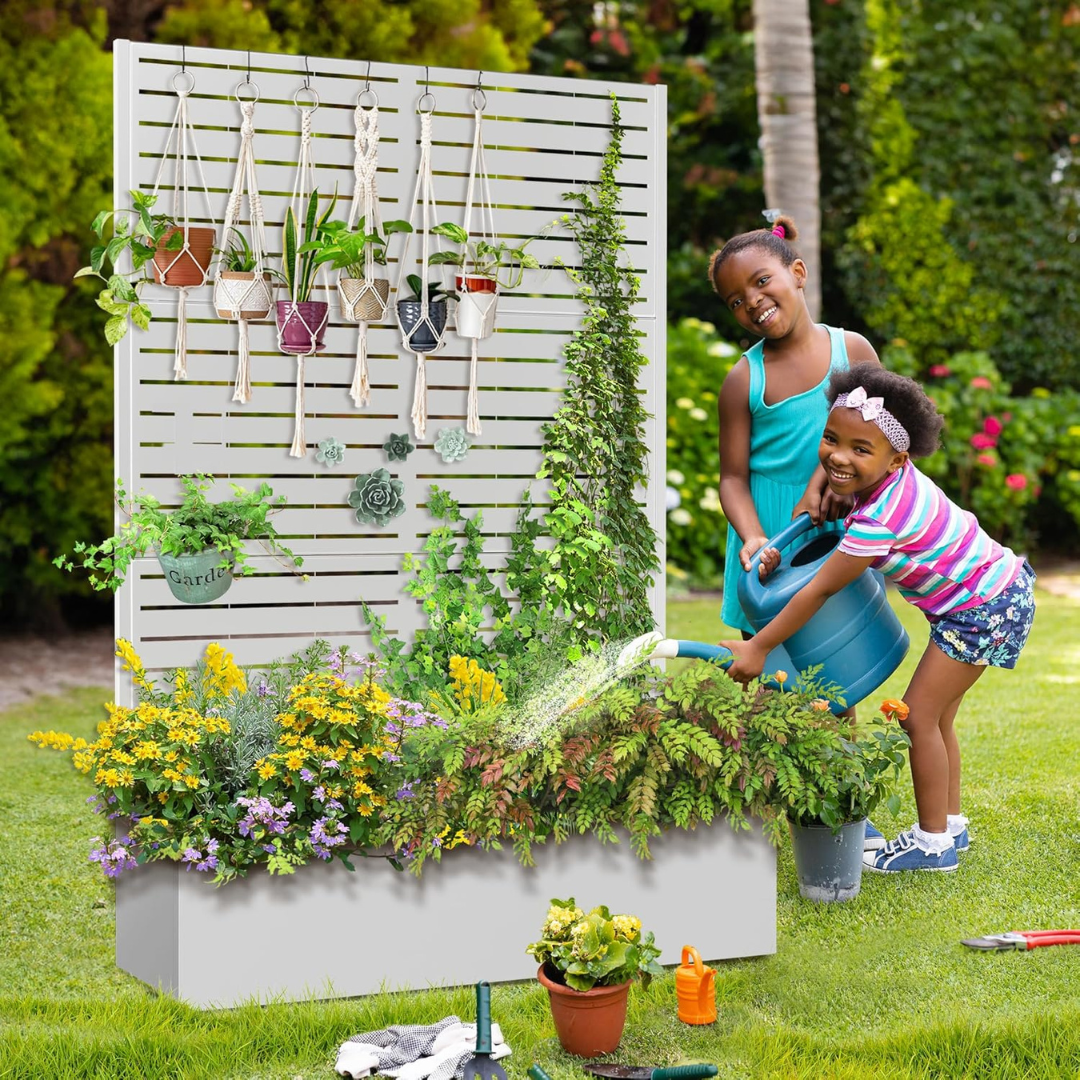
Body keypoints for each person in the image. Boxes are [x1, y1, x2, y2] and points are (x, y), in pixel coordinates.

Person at [720, 364, 1037, 873]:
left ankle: (932, 844)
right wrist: (805, 513)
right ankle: (950, 826)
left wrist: (758, 647)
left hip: (983, 608)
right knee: (940, 716)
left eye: (859, 450)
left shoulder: (878, 519)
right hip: (996, 592)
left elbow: (820, 588)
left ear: (897, 458)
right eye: (830, 439)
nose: (838, 457)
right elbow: (843, 489)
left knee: (916, 716)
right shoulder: (892, 481)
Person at [710, 216, 879, 638]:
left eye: (762, 280)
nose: (751, 301)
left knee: (840, 668)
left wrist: (836, 484)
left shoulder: (853, 350)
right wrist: (754, 539)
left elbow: (881, 437)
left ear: (798, 273)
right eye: (735, 300)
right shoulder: (744, 380)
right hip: (774, 533)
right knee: (770, 672)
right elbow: (731, 478)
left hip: (838, 527)